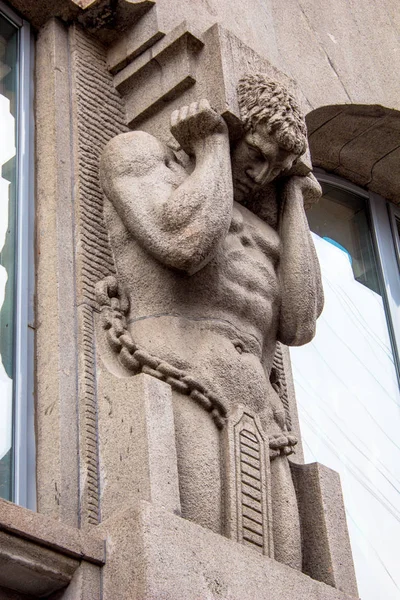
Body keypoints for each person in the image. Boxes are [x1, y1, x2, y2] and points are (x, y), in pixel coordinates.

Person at [100, 73, 323, 569]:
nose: (261, 175)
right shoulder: (138, 157)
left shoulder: (268, 233)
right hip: (182, 379)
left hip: (263, 419)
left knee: (281, 572)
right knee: (197, 567)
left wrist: (294, 199)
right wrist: (214, 146)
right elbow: (184, 245)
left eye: (278, 168)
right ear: (230, 124)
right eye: (257, 154)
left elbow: (300, 323)